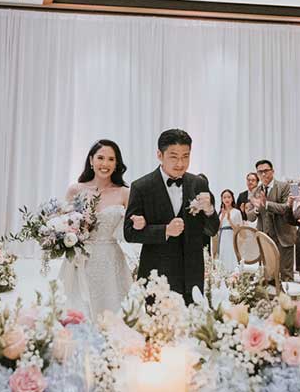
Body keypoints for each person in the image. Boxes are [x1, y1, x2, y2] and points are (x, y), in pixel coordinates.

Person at [124, 129, 219, 304]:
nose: (180, 163)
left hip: (191, 276)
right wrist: (165, 230)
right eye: (174, 157)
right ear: (159, 155)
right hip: (157, 276)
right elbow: (129, 233)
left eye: (186, 156)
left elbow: (212, 230)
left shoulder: (199, 184)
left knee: (193, 321)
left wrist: (209, 210)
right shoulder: (141, 187)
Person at [59, 139, 132, 319]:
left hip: (111, 262)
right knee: (77, 314)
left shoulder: (125, 193)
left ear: (117, 164)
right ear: (91, 160)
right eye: (100, 158)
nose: (105, 164)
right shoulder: (75, 190)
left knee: (112, 316)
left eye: (111, 159)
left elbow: (130, 230)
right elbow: (63, 224)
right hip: (80, 261)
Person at [246, 159, 295, 281]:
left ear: (272, 171)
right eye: (260, 172)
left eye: (266, 171)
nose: (263, 174)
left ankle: (287, 294)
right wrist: (257, 208)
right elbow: (250, 217)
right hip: (265, 238)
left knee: (286, 275)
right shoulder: (256, 191)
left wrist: (266, 204)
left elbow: (286, 209)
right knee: (268, 275)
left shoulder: (284, 187)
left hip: (283, 237)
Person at [214, 189, 243, 273]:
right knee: (223, 254)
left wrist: (230, 220)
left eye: (229, 197)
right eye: (224, 197)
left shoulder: (237, 212)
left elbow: (238, 230)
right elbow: (217, 228)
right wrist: (222, 217)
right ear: (222, 199)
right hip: (222, 237)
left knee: (231, 254)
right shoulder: (221, 213)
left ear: (232, 199)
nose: (227, 199)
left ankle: (234, 274)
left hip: (232, 236)